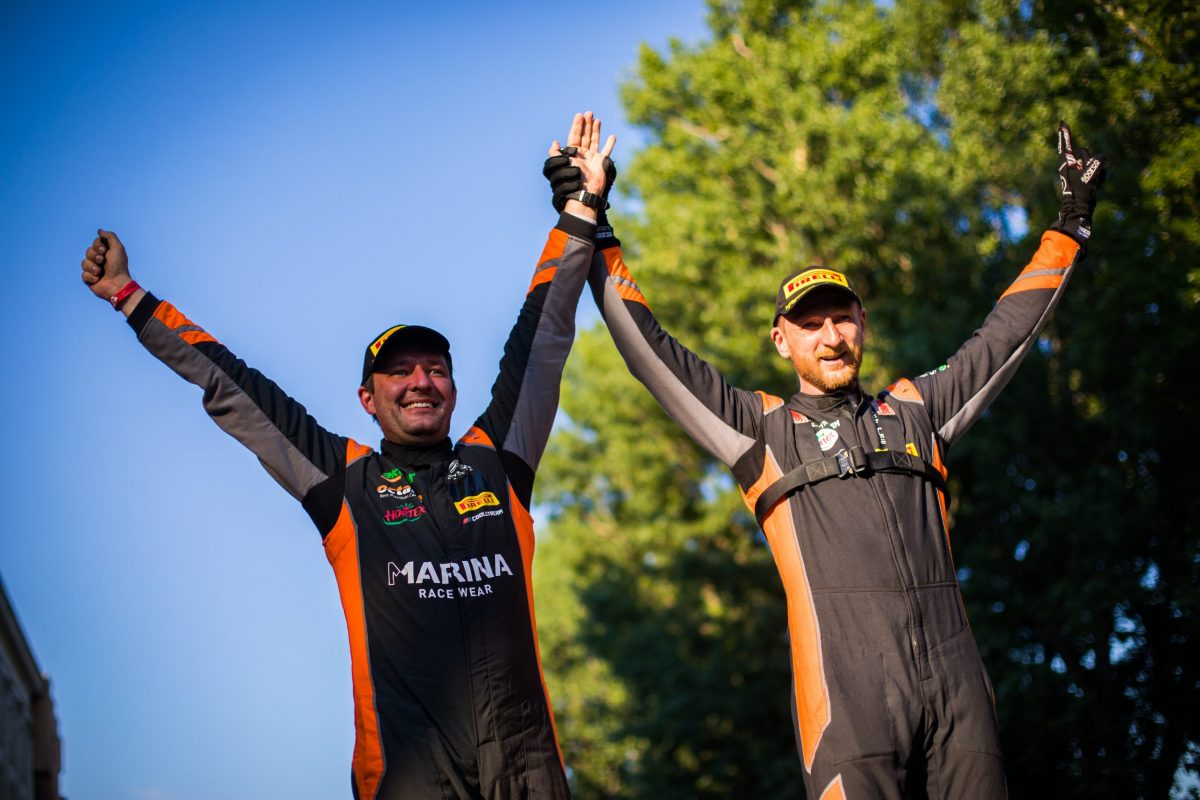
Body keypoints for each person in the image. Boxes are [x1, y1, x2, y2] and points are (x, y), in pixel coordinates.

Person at [80, 113, 616, 800]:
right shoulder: (345, 480)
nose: (421, 381)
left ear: (452, 387)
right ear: (368, 397)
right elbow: (234, 384)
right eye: (400, 372)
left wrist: (580, 210)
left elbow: (541, 333)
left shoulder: (497, 459)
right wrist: (130, 297)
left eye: (435, 369)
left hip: (528, 771)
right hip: (406, 776)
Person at [562, 122, 1105, 797]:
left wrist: (1070, 225)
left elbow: (1005, 334)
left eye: (843, 318)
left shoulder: (916, 412)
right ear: (780, 340)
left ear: (863, 325)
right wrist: (595, 219)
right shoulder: (759, 431)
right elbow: (648, 345)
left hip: (959, 692)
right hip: (848, 704)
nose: (831, 336)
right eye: (810, 324)